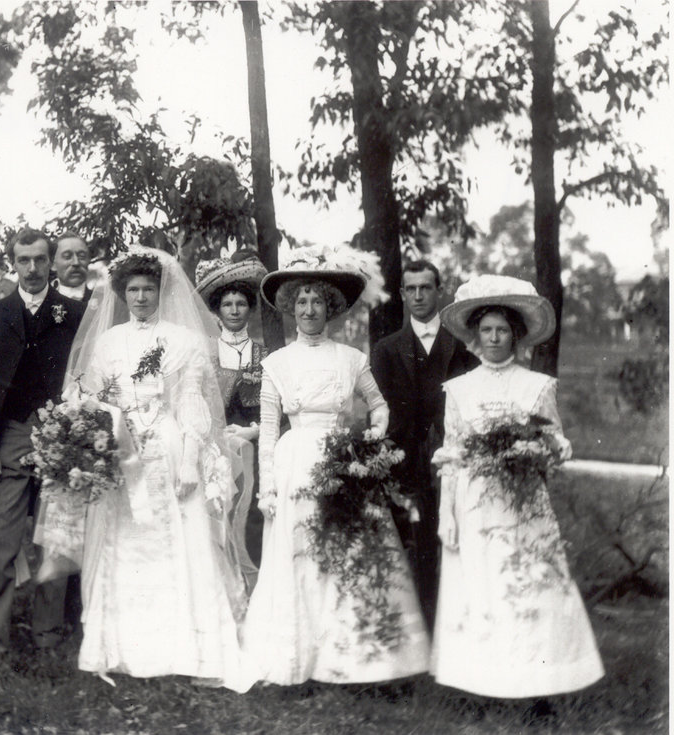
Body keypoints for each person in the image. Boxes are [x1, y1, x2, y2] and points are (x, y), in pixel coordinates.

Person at [55, 246, 250, 690]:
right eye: (133, 290)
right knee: (124, 540)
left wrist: (190, 460)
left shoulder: (183, 340)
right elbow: (92, 396)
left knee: (179, 539)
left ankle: (186, 650)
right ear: (122, 294)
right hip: (120, 450)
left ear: (161, 292)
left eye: (148, 289)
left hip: (168, 445)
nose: (141, 297)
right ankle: (124, 649)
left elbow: (192, 402)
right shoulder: (108, 342)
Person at [242, 245, 430, 686]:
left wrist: (370, 443)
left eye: (317, 302)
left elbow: (380, 407)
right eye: (302, 302)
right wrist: (267, 489)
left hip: (343, 464)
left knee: (350, 553)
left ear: (330, 307)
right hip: (295, 464)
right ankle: (303, 659)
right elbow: (267, 432)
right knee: (303, 553)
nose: (309, 310)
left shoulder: (351, 359)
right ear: (291, 309)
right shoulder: (276, 363)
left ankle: (358, 657)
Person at [430, 274, 604, 698]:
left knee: (530, 584)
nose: (494, 338)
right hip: (475, 502)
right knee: (480, 588)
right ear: (475, 335)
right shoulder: (459, 389)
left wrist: (537, 450)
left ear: (516, 335)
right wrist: (445, 514)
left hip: (524, 503)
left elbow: (556, 441)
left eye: (502, 330)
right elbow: (452, 454)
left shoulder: (536, 386)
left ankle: (537, 685)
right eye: (487, 330)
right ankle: (477, 685)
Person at [0, 228, 85, 660]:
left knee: (55, 539)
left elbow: (88, 376)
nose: (32, 269)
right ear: (12, 263)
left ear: (51, 262)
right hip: (10, 434)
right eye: (23, 260)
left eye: (39, 259)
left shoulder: (75, 313)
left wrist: (77, 435)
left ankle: (48, 634)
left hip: (62, 436)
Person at [370, 260, 478, 630]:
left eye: (426, 288)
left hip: (453, 459)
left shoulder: (463, 347)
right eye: (411, 289)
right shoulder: (386, 350)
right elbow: (381, 414)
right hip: (406, 465)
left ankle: (457, 626)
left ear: (439, 291)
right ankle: (419, 629)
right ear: (402, 294)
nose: (418, 296)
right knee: (413, 548)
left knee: (456, 541)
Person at [195, 249, 267, 576]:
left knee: (252, 515)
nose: (235, 310)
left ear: (250, 308)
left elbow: (276, 408)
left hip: (256, 447)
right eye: (227, 304)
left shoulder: (264, 354)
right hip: (214, 448)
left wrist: (255, 431)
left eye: (241, 304)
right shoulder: (206, 353)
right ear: (217, 309)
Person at [51, 231, 92, 303]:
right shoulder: (42, 301)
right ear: (53, 264)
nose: (76, 263)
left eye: (82, 256)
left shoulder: (103, 301)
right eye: (67, 256)